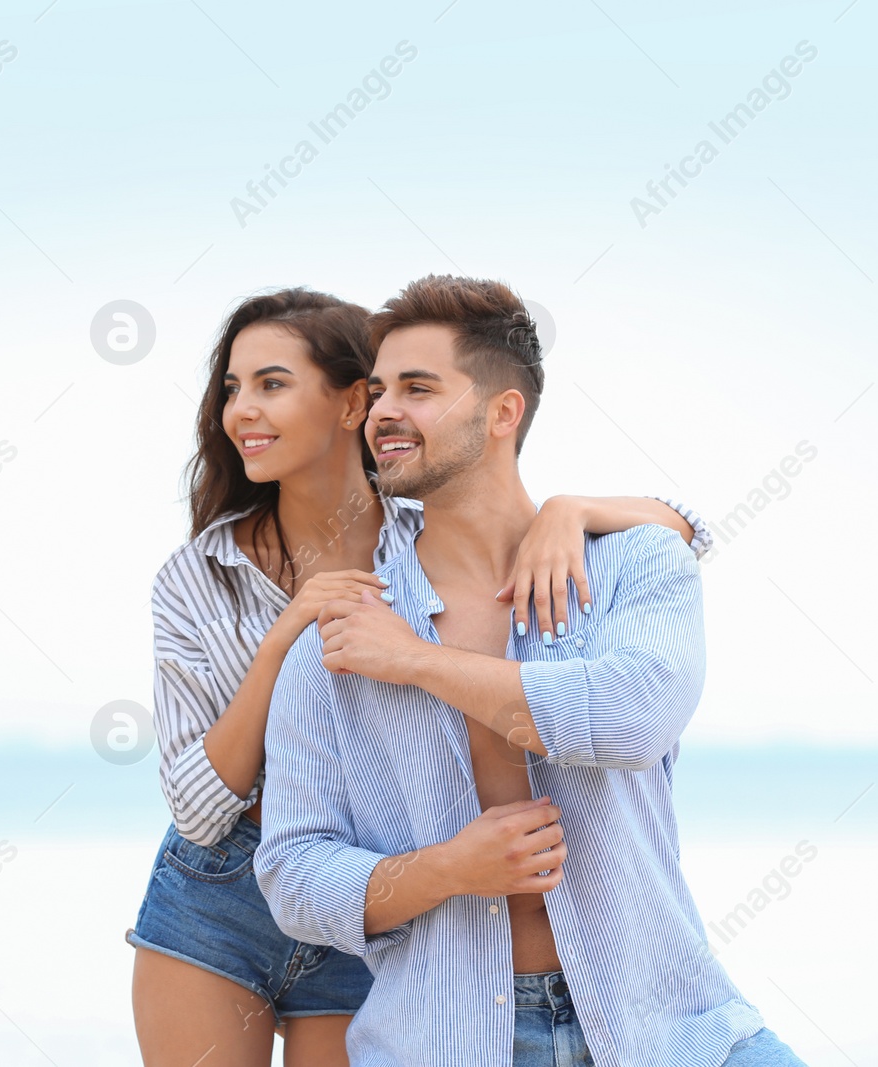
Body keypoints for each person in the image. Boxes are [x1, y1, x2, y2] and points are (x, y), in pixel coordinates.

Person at [126, 286, 717, 1067]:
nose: (241, 411)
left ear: (344, 406)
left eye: (271, 383)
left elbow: (678, 537)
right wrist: (287, 636)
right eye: (231, 389)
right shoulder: (202, 575)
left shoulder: (429, 520)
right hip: (229, 882)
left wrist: (570, 509)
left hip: (385, 909)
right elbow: (200, 807)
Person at [254, 275, 808, 1067]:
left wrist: (416, 661)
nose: (382, 414)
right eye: (378, 392)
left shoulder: (632, 566)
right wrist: (448, 869)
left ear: (502, 411)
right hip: (444, 1042)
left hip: (667, 1026)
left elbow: (631, 716)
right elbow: (294, 873)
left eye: (417, 388)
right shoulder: (339, 638)